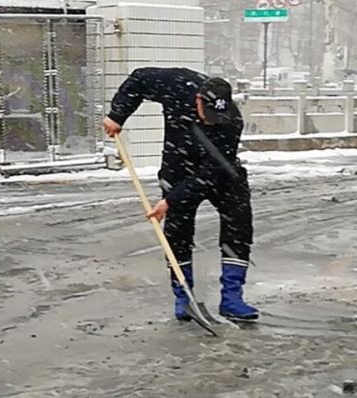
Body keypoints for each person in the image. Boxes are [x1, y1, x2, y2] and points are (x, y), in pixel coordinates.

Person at [102, 67, 258, 322]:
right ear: (198, 98)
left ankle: (232, 298)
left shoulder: (231, 121)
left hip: (221, 173)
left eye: (215, 117)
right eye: (206, 114)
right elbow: (139, 78)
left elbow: (212, 171)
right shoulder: (178, 84)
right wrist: (118, 115)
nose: (210, 121)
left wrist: (169, 201)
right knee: (178, 232)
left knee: (239, 223)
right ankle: (183, 297)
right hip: (178, 167)